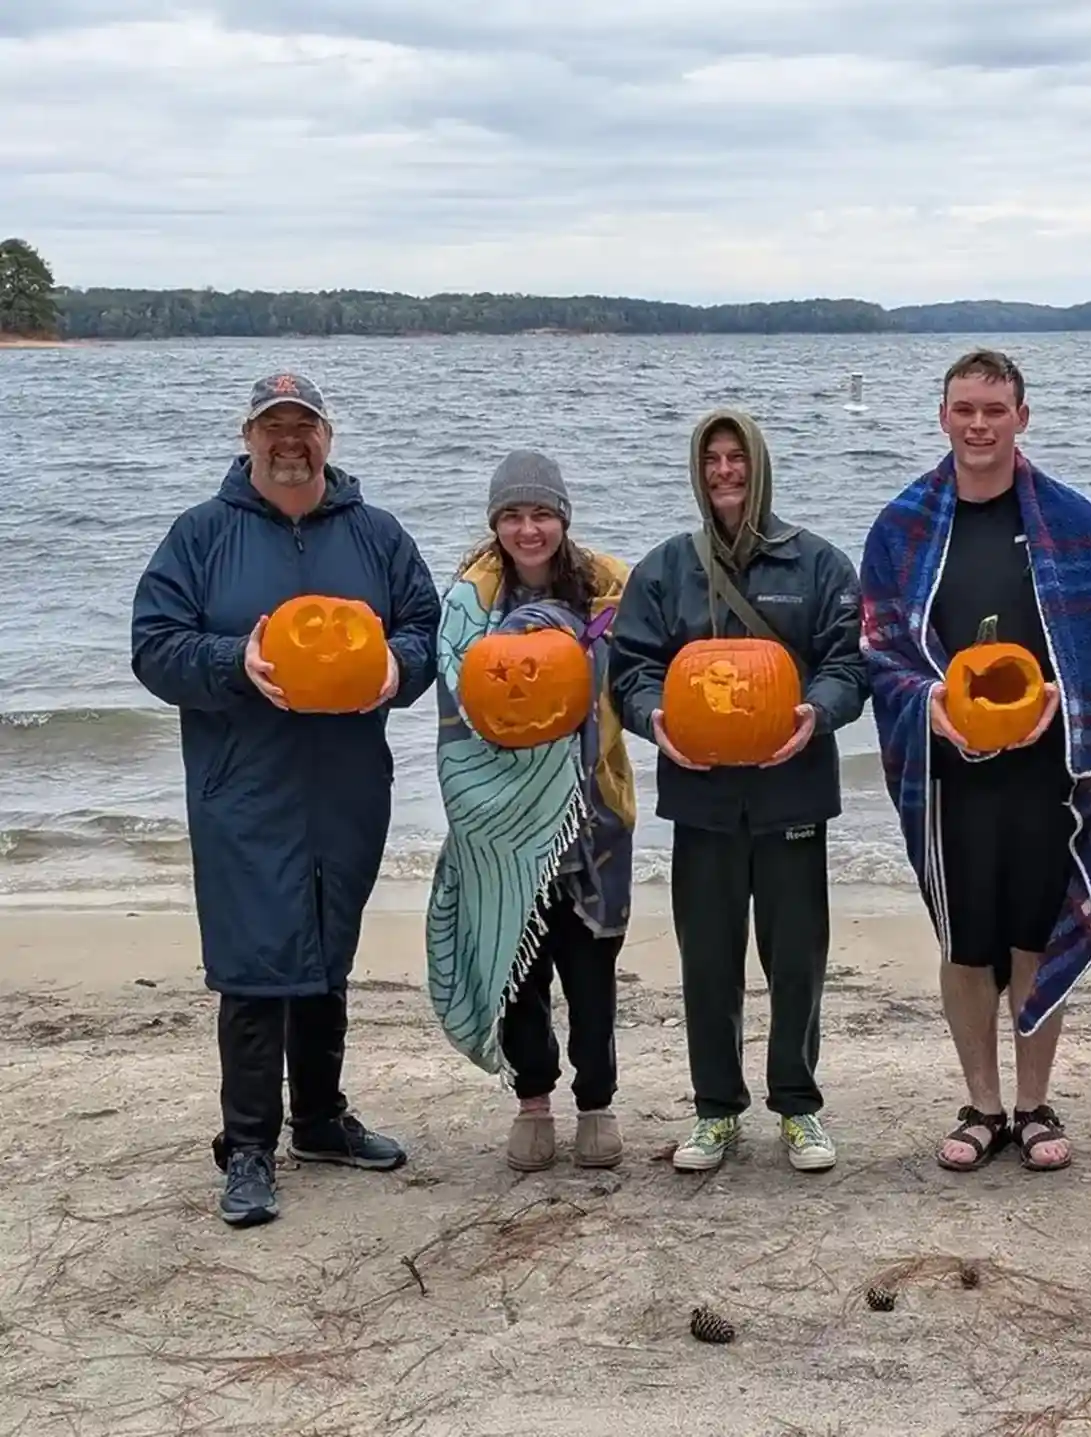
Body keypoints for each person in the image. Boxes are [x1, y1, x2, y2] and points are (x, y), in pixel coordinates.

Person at [129, 372, 440, 1228]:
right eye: (274, 427)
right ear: (249, 437)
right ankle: (250, 1145)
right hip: (244, 784)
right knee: (256, 959)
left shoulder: (376, 534)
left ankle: (321, 1119)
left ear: (328, 438)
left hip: (345, 781)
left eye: (305, 425)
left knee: (326, 944)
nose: (290, 440)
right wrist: (236, 664)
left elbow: (426, 627)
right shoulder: (201, 535)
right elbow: (154, 647)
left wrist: (397, 669)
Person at [861, 349, 1091, 1175]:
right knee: (965, 942)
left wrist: (1063, 693)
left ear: (1023, 416)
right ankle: (980, 1103)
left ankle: (1033, 1101)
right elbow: (878, 650)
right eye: (964, 409)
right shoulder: (902, 526)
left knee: (1033, 933)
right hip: (952, 776)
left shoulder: (1075, 522)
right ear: (943, 417)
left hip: (1045, 769)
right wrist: (929, 707)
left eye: (994, 409)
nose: (979, 424)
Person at [607, 409, 867, 1174]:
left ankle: (799, 1105)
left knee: (796, 958)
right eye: (712, 460)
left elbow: (850, 665)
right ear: (698, 470)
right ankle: (716, 1108)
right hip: (703, 798)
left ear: (760, 466)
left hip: (793, 791)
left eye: (737, 459)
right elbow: (630, 666)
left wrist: (817, 713)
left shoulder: (818, 564)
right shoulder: (665, 569)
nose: (725, 472)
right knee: (709, 958)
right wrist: (655, 718)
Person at [426, 451, 636, 1173]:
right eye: (512, 516)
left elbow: (647, 672)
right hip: (499, 817)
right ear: (495, 524)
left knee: (591, 967)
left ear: (563, 517)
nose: (528, 528)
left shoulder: (610, 590)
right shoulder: (467, 605)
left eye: (541, 512)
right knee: (518, 962)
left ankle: (597, 1102)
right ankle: (534, 1100)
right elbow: (459, 718)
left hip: (591, 807)